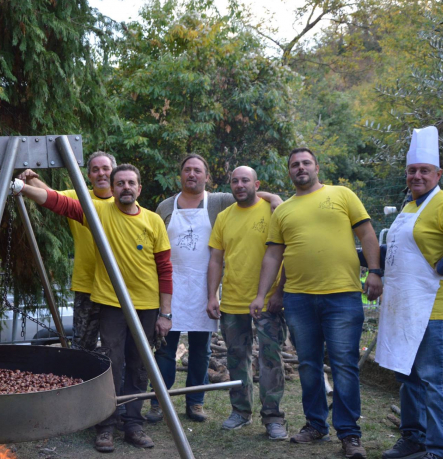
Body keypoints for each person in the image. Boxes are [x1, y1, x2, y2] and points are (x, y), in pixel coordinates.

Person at [14, 164, 172, 453]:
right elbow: (58, 202)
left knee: (139, 366)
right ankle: (106, 426)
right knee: (112, 365)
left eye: (131, 182)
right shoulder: (98, 212)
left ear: (139, 188)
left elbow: (165, 268)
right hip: (111, 304)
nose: (126, 187)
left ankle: (133, 425)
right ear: (111, 189)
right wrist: (24, 188)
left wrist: (166, 312)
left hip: (148, 306)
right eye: (120, 183)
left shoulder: (153, 221)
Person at [249, 148, 383, 459]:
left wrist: (375, 271)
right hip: (298, 299)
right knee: (309, 365)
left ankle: (349, 435)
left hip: (343, 296)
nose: (300, 168)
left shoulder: (342, 194)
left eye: (305, 162)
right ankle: (315, 425)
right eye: (294, 165)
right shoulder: (283, 211)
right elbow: (273, 255)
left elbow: (367, 234)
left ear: (317, 167)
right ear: (290, 172)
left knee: (344, 366)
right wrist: (263, 294)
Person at [147, 154, 281, 424]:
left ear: (207, 177)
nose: (192, 175)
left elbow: (248, 192)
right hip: (170, 288)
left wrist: (275, 199)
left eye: (198, 171)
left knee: (201, 349)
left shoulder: (219, 201)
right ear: (180, 175)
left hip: (203, 288)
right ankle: (158, 402)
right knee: (164, 348)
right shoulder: (165, 206)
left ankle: (195, 403)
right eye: (187, 170)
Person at [207, 166, 288, 440]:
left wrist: (279, 293)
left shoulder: (273, 210)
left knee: (270, 360)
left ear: (256, 183)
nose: (239, 185)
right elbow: (216, 259)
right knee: (236, 358)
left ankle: (273, 417)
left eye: (245, 180)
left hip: (268, 303)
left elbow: (287, 252)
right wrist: (212, 295)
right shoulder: (223, 217)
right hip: (232, 302)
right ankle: (240, 411)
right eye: (235, 181)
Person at [376, 126, 443, 459]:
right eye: (412, 170)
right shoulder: (409, 207)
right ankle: (413, 437)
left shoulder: (442, 203)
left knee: (434, 382)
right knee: (409, 377)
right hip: (404, 307)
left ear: (438, 173)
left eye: (424, 171)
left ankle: (437, 447)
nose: (417, 175)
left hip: (433, 310)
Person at [18, 151, 116, 350]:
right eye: (95, 170)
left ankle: (116, 382)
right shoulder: (79, 197)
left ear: (114, 172)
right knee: (81, 347)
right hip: (87, 286)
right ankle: (83, 380)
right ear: (88, 176)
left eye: (106, 169)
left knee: (116, 346)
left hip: (117, 287)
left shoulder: (125, 202)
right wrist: (29, 177)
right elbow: (50, 196)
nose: (101, 174)